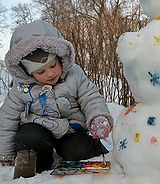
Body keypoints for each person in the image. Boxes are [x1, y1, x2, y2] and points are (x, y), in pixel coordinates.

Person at [0, 20, 114, 178]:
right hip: (38, 131)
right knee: (28, 137)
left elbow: (91, 98)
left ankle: (95, 153)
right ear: (28, 74)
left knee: (77, 150)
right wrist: (5, 154)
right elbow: (7, 119)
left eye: (53, 66)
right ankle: (39, 162)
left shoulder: (75, 74)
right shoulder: (21, 88)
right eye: (40, 72)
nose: (50, 74)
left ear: (60, 58)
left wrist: (98, 116)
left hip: (71, 130)